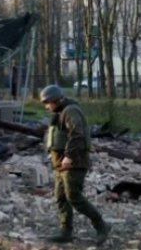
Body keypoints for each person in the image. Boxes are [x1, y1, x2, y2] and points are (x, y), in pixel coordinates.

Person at [40, 84, 111, 244]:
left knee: (74, 197)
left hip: (74, 162)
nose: (46, 106)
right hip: (60, 164)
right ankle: (66, 232)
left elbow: (77, 133)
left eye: (48, 102)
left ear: (55, 100)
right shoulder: (60, 112)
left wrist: (69, 155)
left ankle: (101, 226)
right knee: (61, 198)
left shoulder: (70, 111)